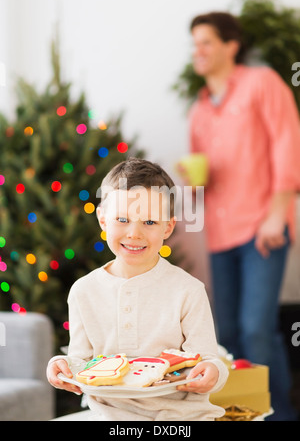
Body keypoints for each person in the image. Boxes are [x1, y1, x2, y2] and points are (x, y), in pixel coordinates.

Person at [47, 157, 229, 421]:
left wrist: (212, 371)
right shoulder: (82, 291)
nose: (134, 233)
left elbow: (209, 360)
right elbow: (80, 361)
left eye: (150, 222)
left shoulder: (188, 290)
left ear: (168, 227)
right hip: (110, 416)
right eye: (122, 219)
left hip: (181, 417)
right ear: (103, 220)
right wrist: (60, 366)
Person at [187, 12, 300, 420]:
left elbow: (288, 146)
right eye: (194, 44)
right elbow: (203, 180)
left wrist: (276, 215)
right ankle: (242, 414)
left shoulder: (262, 83)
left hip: (261, 229)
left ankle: (282, 415)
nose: (197, 51)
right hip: (219, 234)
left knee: (257, 329)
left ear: (231, 45)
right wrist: (193, 178)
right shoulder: (199, 109)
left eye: (206, 42)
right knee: (228, 335)